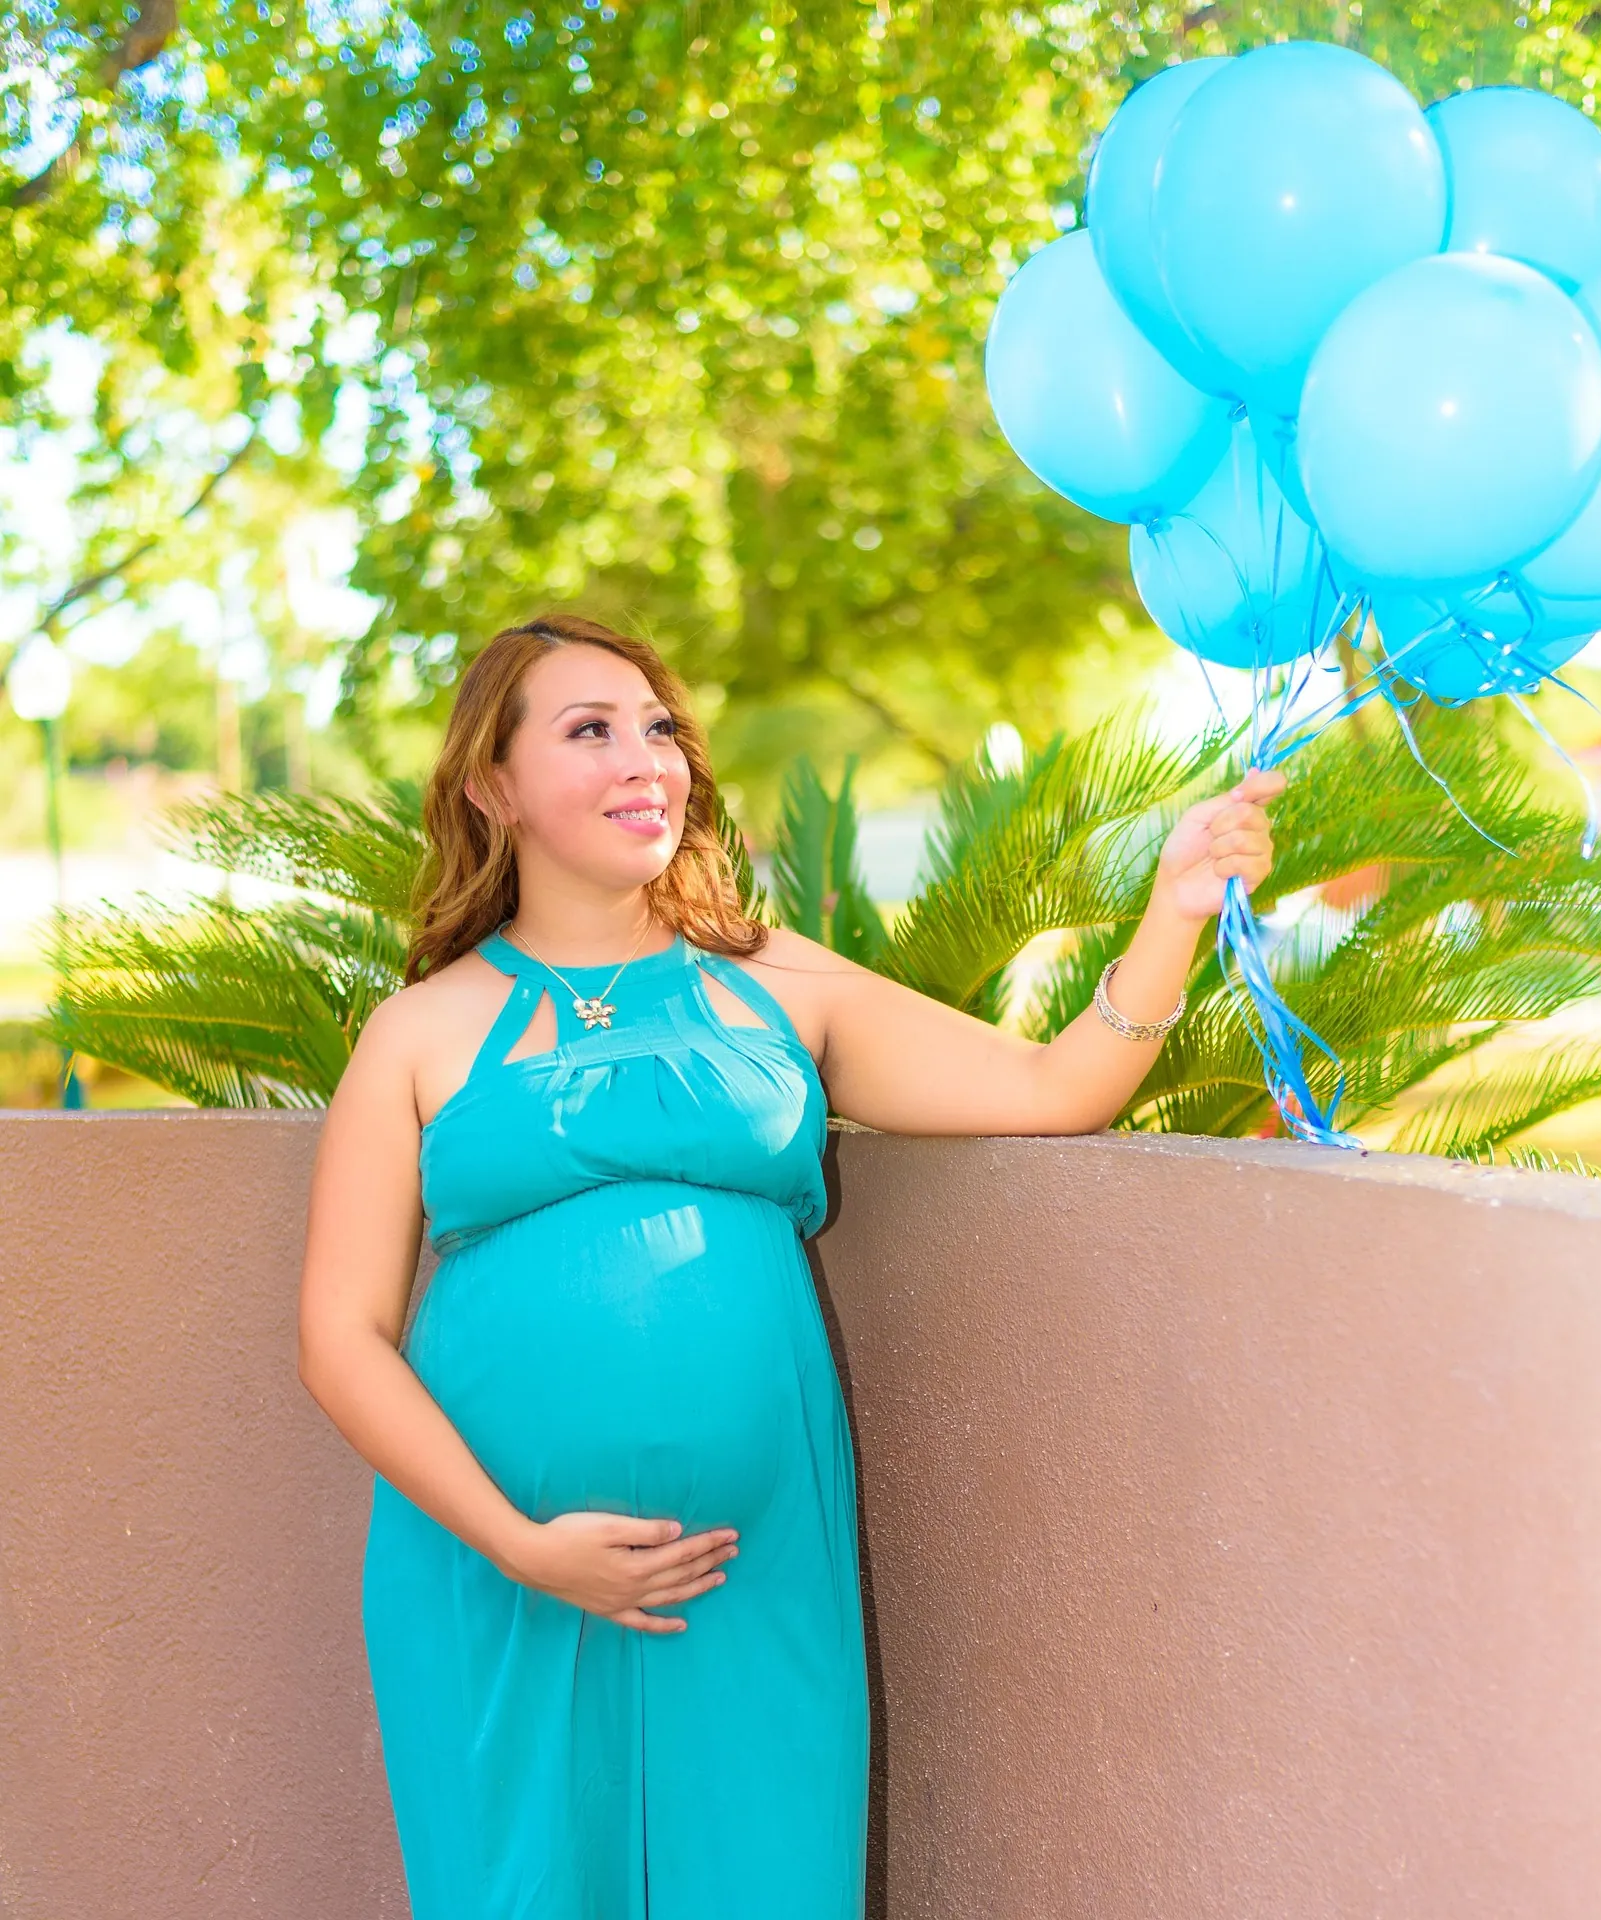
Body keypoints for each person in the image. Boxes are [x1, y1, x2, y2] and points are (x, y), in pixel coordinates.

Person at [297, 612, 1281, 1919]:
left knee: (766, 1880)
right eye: (590, 731)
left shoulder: (773, 984)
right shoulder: (420, 1029)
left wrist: (1174, 908)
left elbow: (1052, 1088)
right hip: (494, 1572)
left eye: (658, 729)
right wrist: (521, 1545)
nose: (645, 759)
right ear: (493, 786)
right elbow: (338, 1332)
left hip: (750, 1562)